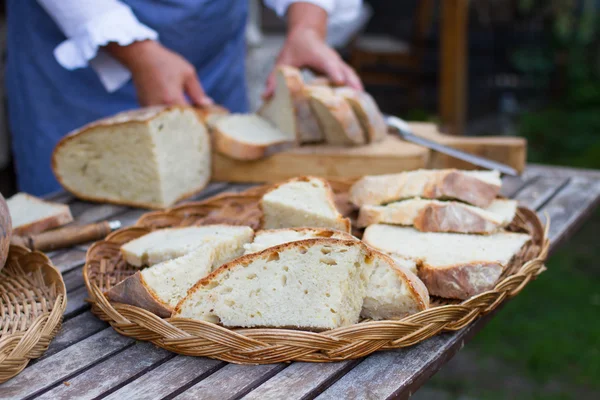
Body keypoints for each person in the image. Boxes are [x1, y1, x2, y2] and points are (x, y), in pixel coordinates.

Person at [5, 0, 363, 196]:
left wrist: (307, 27)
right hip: (75, 75)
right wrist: (137, 52)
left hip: (211, 58)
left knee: (215, 201)